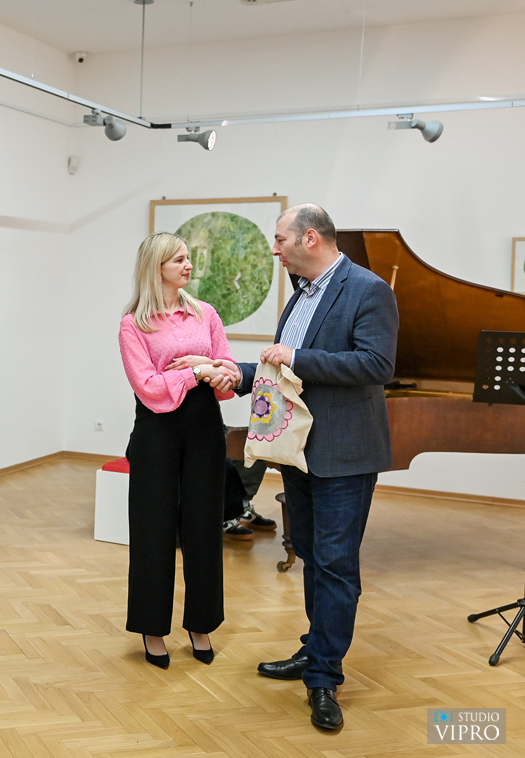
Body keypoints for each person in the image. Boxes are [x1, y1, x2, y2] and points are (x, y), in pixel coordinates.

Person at [237, 204, 397, 730]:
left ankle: (325, 678)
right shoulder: (301, 293)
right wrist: (235, 373)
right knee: (310, 555)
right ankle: (314, 650)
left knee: (335, 565)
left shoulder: (368, 289)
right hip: (299, 450)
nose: (275, 250)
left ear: (310, 238)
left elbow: (377, 364)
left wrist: (296, 358)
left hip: (345, 455)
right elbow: (282, 370)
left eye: (280, 240)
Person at [117, 232, 241, 670]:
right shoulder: (133, 324)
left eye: (188, 258)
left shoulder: (206, 313)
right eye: (179, 260)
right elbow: (150, 388)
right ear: (157, 268)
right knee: (152, 528)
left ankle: (201, 624)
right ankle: (152, 628)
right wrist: (198, 372)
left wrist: (210, 369)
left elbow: (228, 371)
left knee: (205, 527)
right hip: (157, 432)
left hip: (205, 427)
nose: (189, 266)